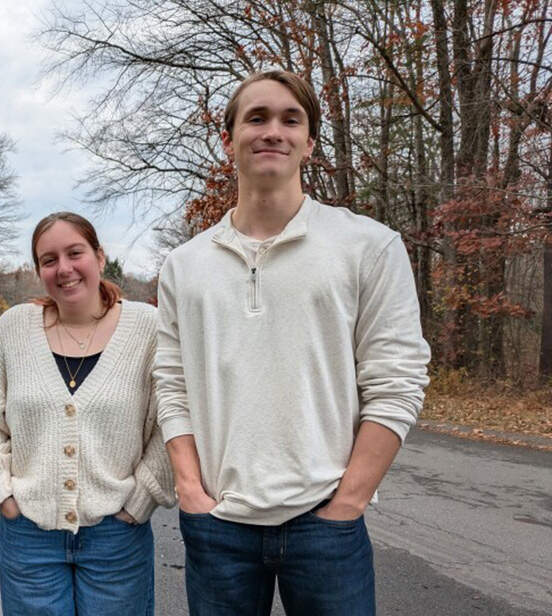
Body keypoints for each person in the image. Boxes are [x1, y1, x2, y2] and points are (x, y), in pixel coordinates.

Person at [154, 70, 431, 616]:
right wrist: (191, 490)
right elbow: (171, 382)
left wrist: (348, 501)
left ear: (310, 141)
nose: (272, 131)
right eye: (255, 118)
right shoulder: (184, 266)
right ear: (229, 138)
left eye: (290, 119)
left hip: (326, 524)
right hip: (219, 526)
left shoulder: (368, 246)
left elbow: (397, 381)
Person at [0, 212, 175, 615]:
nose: (64, 268)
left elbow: (174, 419)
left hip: (117, 538)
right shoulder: (14, 328)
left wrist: (143, 497)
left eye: (74, 252)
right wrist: (2, 492)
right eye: (49, 259)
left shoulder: (148, 329)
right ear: (39, 270)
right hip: (28, 537)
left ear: (99, 256)